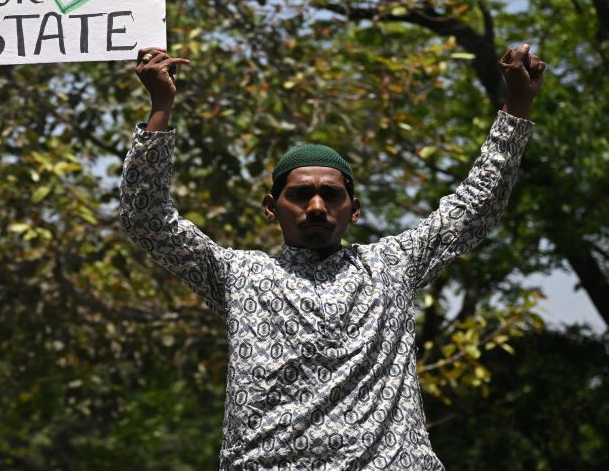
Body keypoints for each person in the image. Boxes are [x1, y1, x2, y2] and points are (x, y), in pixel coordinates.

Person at [119, 45, 544, 469]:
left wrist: (519, 103)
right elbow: (147, 218)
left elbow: (475, 207)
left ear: (354, 210)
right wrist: (161, 105)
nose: (318, 207)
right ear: (271, 207)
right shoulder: (240, 275)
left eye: (332, 195)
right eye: (301, 194)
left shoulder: (391, 265)